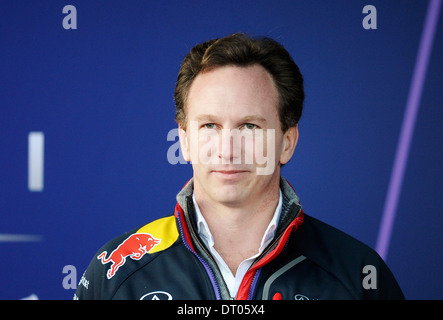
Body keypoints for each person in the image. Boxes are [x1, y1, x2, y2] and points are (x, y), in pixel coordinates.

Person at [74, 33, 404, 300]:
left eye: (249, 126)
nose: (227, 150)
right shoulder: (117, 274)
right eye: (209, 126)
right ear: (184, 140)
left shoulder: (358, 275)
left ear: (287, 142)